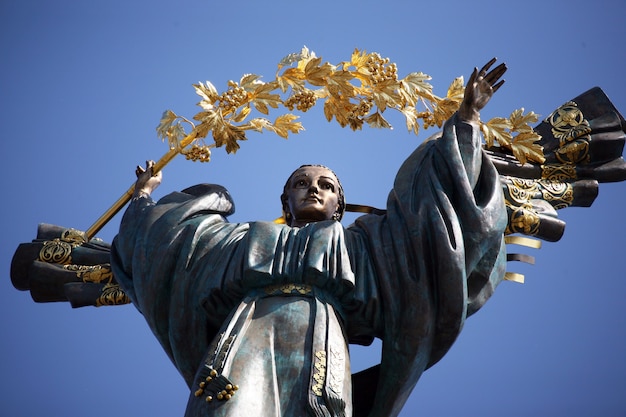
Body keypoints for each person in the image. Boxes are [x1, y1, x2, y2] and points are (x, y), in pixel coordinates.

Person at [111, 59, 508, 417]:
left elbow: (432, 221)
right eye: (301, 184)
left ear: (339, 205)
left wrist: (467, 120)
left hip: (322, 344)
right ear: (286, 201)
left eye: (326, 185)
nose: (313, 189)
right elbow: (172, 243)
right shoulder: (244, 240)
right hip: (246, 334)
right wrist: (143, 198)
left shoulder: (364, 245)